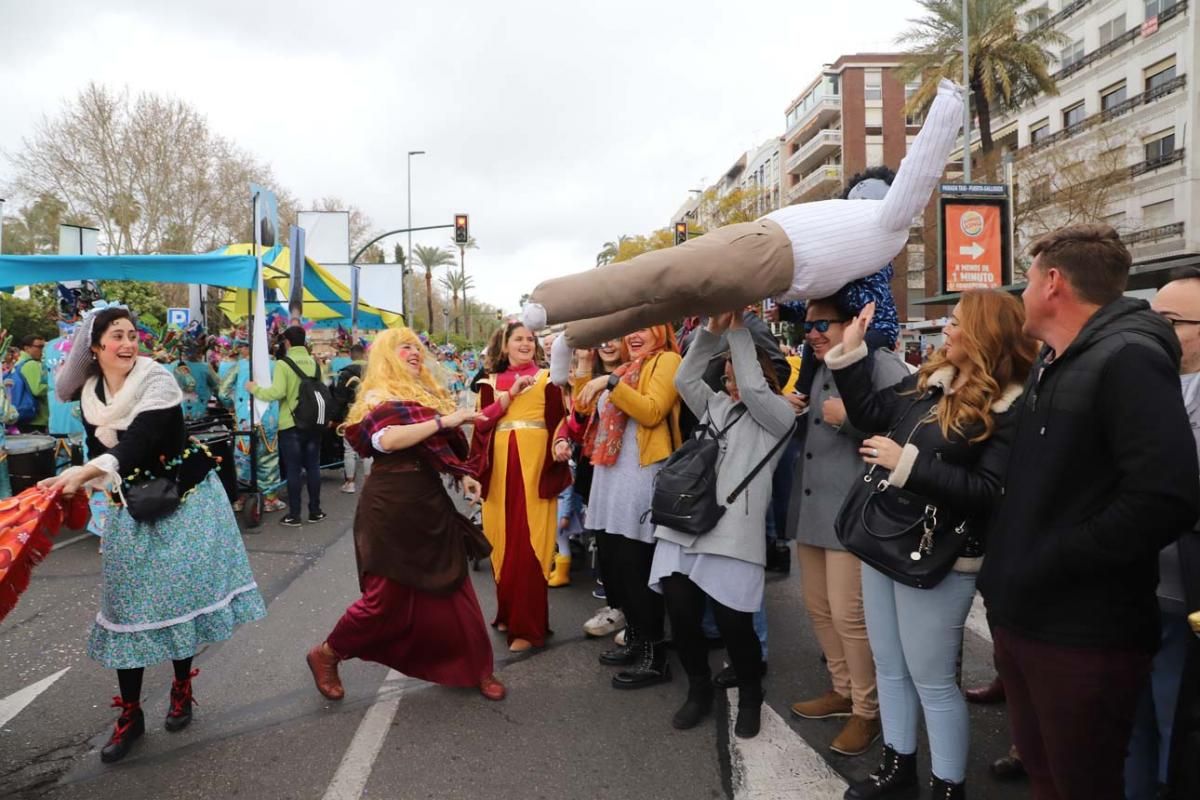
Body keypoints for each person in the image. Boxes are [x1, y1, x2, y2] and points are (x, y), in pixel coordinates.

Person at [979, 224, 1199, 800]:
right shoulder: (1059, 359)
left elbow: (1165, 495)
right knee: (1048, 779)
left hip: (1083, 634)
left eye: (1027, 280)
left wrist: (1055, 557)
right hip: (1029, 618)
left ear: (1053, 283)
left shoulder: (1128, 357)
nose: (1021, 294)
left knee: (1083, 786)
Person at [828, 291, 1036, 800]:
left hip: (941, 556)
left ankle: (949, 787)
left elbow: (989, 494)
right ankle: (897, 769)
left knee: (933, 680)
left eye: (957, 321)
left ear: (984, 335)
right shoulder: (933, 379)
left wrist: (907, 463)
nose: (946, 327)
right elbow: (873, 412)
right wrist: (851, 354)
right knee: (891, 665)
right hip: (884, 537)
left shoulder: (1009, 403)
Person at [39, 306, 266, 764]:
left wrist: (87, 471)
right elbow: (99, 448)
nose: (127, 343)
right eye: (116, 336)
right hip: (130, 504)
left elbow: (139, 440)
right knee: (127, 605)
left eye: (132, 335)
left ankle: (181, 688)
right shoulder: (89, 395)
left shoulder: (158, 380)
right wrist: (79, 480)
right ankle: (131, 714)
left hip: (182, 500)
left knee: (175, 600)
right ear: (95, 347)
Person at [305, 327, 504, 703]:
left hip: (428, 499)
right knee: (384, 599)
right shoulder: (380, 396)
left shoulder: (425, 396)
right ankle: (327, 654)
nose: (414, 352)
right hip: (389, 506)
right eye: (403, 348)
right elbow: (389, 440)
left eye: (416, 347)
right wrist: (446, 421)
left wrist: (462, 478)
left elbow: (435, 450)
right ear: (385, 357)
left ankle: (479, 669)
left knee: (455, 586)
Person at [651, 311, 795, 738]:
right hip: (684, 523)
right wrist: (710, 333)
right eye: (727, 372)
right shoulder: (714, 405)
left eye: (736, 369)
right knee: (681, 613)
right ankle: (698, 689)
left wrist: (737, 328)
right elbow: (684, 382)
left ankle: (751, 694)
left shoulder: (778, 416)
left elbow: (752, 387)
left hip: (733, 531)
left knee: (735, 625)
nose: (731, 380)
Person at [787, 296, 909, 757]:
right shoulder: (817, 367)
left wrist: (849, 421)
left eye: (823, 324)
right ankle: (842, 691)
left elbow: (908, 428)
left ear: (853, 323)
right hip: (813, 508)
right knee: (819, 609)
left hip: (854, 515)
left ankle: (867, 710)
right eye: (807, 325)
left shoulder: (882, 366)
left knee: (850, 617)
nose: (813, 333)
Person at [1126, 270, 1200, 799]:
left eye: (1171, 321)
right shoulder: (1139, 381)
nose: (1156, 330)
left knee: (1181, 726)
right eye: (1154, 317)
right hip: (1130, 592)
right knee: (1133, 727)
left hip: (1185, 598)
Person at [576, 325, 682, 688]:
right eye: (630, 330)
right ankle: (636, 639)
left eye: (645, 328)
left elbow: (652, 412)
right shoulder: (622, 370)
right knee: (618, 568)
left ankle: (656, 656)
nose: (635, 335)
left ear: (663, 331)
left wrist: (610, 384)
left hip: (640, 478)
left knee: (638, 569)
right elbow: (580, 406)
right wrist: (584, 366)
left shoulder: (667, 360)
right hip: (609, 478)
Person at [470, 323, 572, 652]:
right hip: (499, 473)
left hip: (535, 470)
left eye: (530, 339)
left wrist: (560, 443)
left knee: (529, 545)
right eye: (519, 339)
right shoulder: (487, 383)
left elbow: (561, 421)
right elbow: (480, 424)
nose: (526, 343)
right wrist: (509, 395)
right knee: (502, 543)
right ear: (504, 346)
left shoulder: (547, 379)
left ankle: (527, 628)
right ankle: (507, 613)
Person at [571, 339, 632, 638]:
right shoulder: (589, 373)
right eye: (601, 339)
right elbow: (578, 416)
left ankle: (637, 619)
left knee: (628, 549)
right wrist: (583, 362)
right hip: (596, 469)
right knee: (606, 545)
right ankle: (616, 609)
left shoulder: (635, 372)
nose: (607, 344)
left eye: (614, 337)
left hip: (627, 469)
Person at [248, 326, 325, 527]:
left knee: (293, 469)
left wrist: (254, 388)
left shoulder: (283, 364)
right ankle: (315, 511)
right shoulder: (315, 363)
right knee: (313, 467)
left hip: (291, 425)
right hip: (314, 423)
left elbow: (277, 393)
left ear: (287, 342)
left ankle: (295, 515)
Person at [219, 342, 286, 514]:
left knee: (242, 458)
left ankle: (241, 497)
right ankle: (270, 499)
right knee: (268, 459)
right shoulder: (277, 365)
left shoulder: (238, 366)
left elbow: (223, 392)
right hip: (269, 418)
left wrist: (232, 405)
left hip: (244, 419)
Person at [334, 344, 370, 494]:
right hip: (370, 411)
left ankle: (350, 483)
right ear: (364, 354)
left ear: (351, 355)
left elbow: (339, 398)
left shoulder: (345, 373)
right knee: (368, 448)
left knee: (349, 449)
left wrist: (336, 417)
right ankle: (369, 483)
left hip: (350, 412)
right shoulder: (373, 371)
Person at [16, 334, 49, 432]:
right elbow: (37, 390)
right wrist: (54, 386)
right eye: (39, 347)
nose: (43, 350)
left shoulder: (18, 363)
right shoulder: (31, 364)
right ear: (27, 348)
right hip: (36, 418)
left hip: (22, 415)